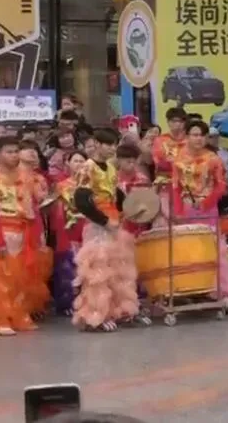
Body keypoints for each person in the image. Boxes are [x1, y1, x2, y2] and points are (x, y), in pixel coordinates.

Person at [70, 128, 141, 332]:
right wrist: (103, 220)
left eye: (114, 145)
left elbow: (116, 195)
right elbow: (81, 200)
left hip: (113, 223)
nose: (111, 148)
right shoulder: (87, 168)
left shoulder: (110, 168)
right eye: (107, 144)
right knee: (97, 272)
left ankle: (119, 311)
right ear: (97, 144)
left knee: (117, 269)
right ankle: (95, 315)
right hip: (97, 224)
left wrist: (129, 210)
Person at [0, 136, 51, 335]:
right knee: (0, 276)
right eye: (9, 152)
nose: (14, 155)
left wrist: (36, 236)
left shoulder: (28, 178)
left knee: (23, 275)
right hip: (3, 230)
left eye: (16, 151)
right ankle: (0, 318)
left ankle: (19, 314)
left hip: (24, 231)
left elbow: (34, 208)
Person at [172, 120, 228, 305]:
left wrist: (206, 203)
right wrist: (178, 210)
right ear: (187, 136)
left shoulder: (213, 159)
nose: (198, 139)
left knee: (213, 250)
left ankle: (220, 292)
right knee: (187, 250)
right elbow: (175, 187)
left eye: (202, 135)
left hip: (208, 210)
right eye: (194, 135)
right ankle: (189, 289)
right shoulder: (178, 159)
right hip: (186, 209)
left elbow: (220, 186)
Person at [50, 150, 89, 316]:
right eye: (75, 161)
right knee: (68, 265)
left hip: (87, 225)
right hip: (68, 227)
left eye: (82, 161)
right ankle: (68, 302)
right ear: (68, 164)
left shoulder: (91, 184)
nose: (79, 164)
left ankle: (88, 300)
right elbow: (57, 210)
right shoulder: (61, 186)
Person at [151, 107, 188, 221]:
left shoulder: (189, 141)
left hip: (186, 186)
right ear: (168, 122)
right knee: (165, 219)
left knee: (185, 220)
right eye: (174, 121)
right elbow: (159, 161)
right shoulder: (160, 140)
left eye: (180, 121)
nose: (177, 124)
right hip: (165, 185)